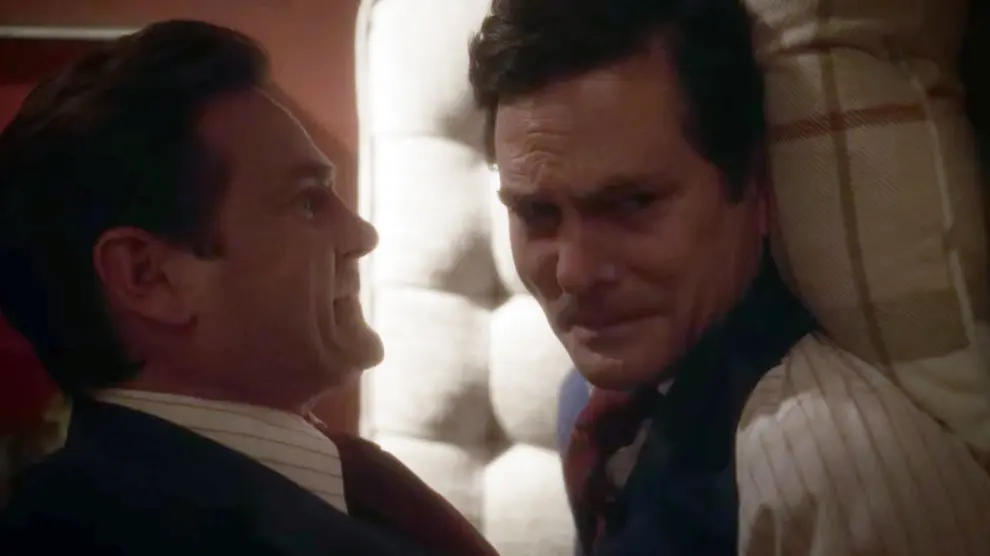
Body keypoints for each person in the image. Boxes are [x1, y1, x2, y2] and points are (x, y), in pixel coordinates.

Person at [469, 0, 990, 554]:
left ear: (757, 188)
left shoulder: (823, 464)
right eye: (536, 213)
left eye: (633, 203)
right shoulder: (593, 404)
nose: (574, 273)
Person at [0, 20, 496, 556]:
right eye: (308, 201)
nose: (361, 235)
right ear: (149, 277)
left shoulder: (343, 485)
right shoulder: (104, 535)